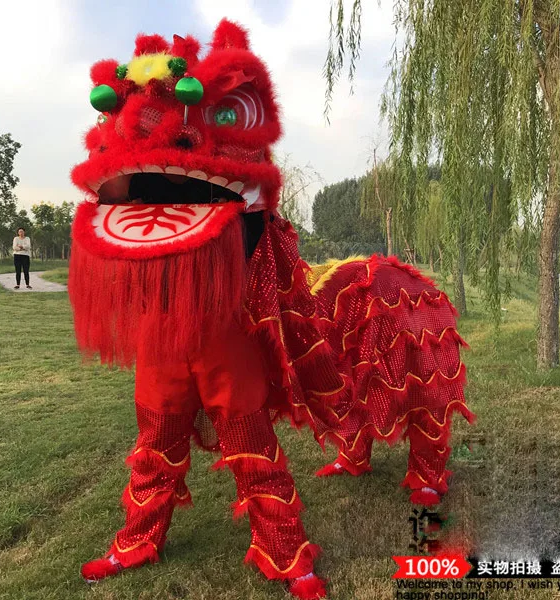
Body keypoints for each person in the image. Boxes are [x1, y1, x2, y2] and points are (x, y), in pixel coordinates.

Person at [67, 21, 470, 600]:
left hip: (225, 345)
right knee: (154, 448)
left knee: (255, 451)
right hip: (162, 344)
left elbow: (255, 236)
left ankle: (285, 552)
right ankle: (137, 539)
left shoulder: (251, 213)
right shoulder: (133, 200)